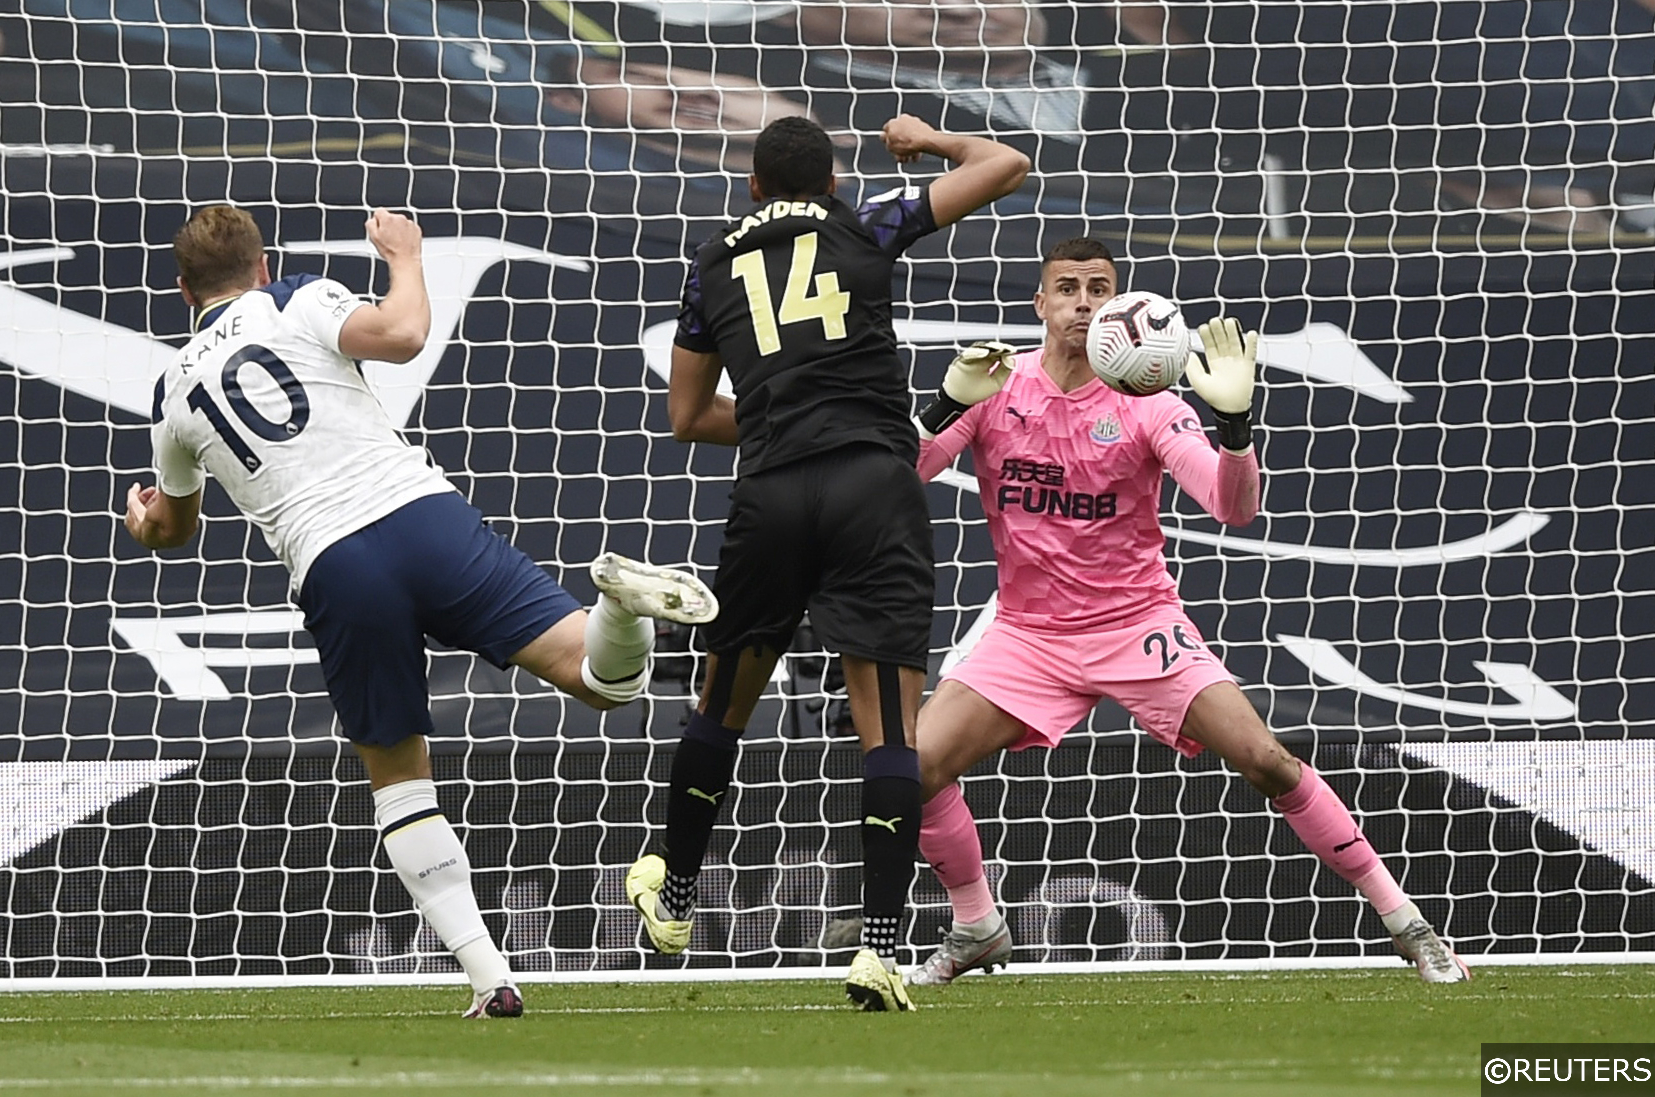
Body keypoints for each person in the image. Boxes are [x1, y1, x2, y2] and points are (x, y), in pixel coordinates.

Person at [123, 204, 718, 1017]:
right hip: (419, 515)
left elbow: (173, 528)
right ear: (262, 266)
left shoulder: (175, 389)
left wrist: (144, 516)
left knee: (402, 784)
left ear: (182, 289)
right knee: (605, 681)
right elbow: (403, 334)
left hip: (335, 564)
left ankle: (490, 977)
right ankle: (619, 601)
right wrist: (405, 255)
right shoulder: (298, 297)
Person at [907, 236, 1471, 985]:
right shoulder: (996, 387)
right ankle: (977, 924)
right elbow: (906, 474)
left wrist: (1235, 428)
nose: (1082, 301)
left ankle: (1410, 924)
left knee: (1267, 759)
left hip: (1139, 627)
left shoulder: (1152, 403)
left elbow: (1231, 506)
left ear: (1118, 302)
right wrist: (943, 404)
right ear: (1040, 303)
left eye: (1098, 287)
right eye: (1067, 287)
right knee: (911, 768)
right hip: (1028, 636)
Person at [624, 114, 1028, 1011]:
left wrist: (777, 413)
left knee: (722, 699)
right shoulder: (868, 222)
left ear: (756, 189)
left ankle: (678, 892)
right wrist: (928, 140)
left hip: (772, 491)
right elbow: (1006, 164)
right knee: (889, 722)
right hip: (871, 488)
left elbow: (688, 417)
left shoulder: (714, 261)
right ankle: (881, 949)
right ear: (833, 184)